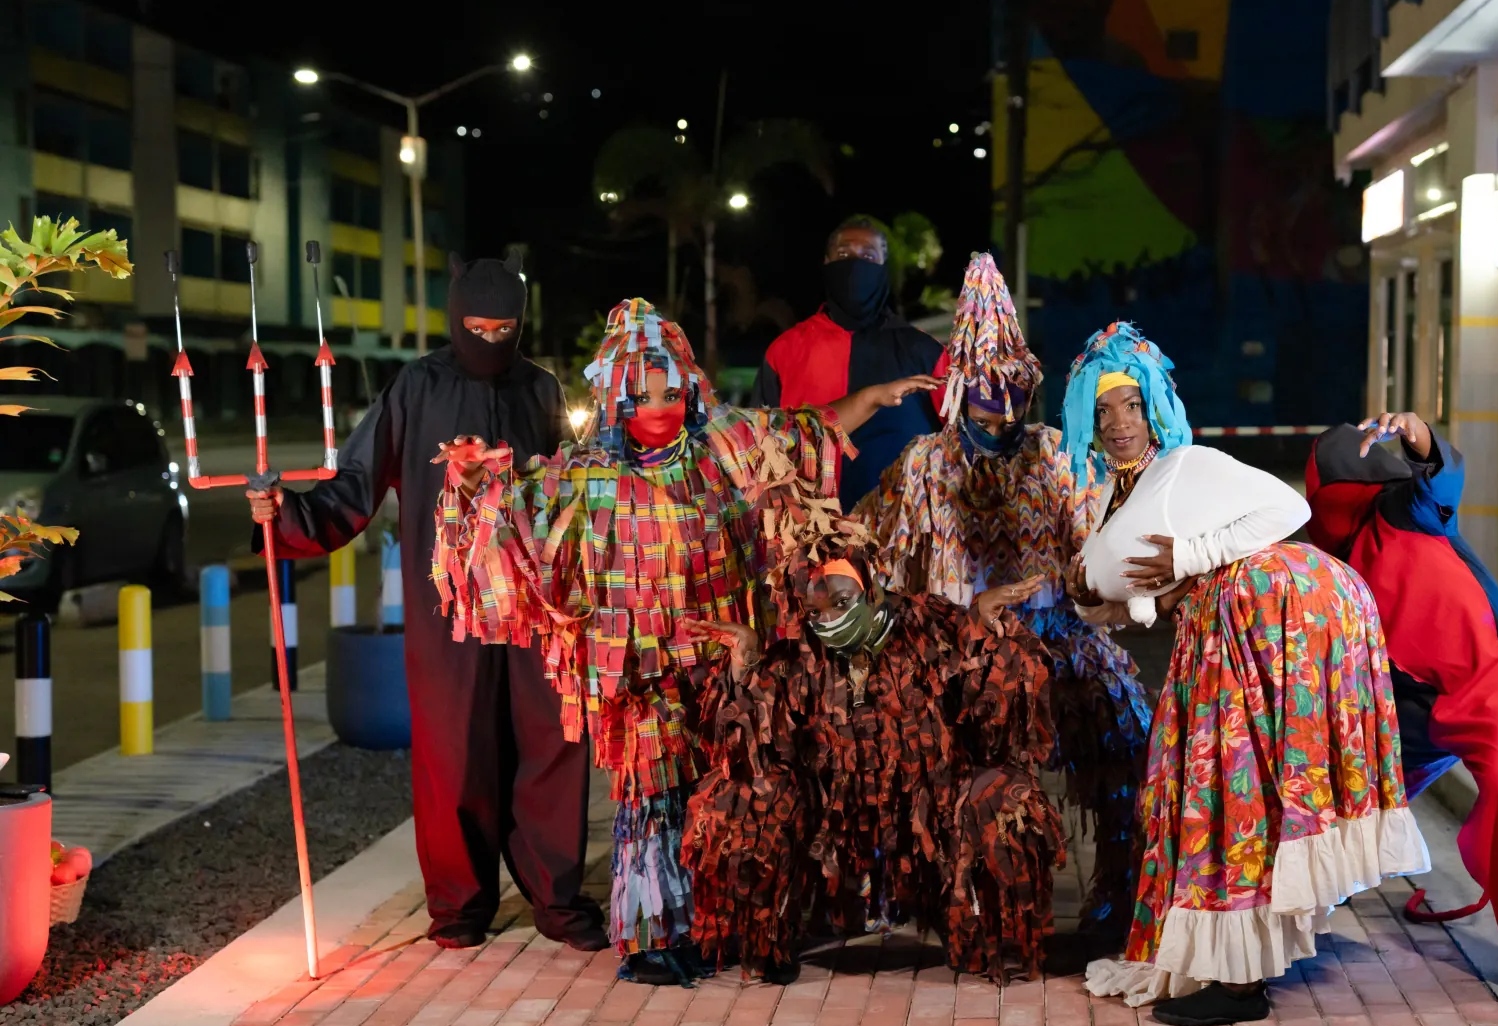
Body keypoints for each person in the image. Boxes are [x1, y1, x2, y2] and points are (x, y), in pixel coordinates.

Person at [431, 297, 932, 986]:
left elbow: (800, 433)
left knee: (721, 795)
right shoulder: (586, 474)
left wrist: (872, 398)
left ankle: (722, 923)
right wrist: (471, 482)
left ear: (692, 388)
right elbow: (514, 513)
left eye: (671, 392)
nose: (660, 408)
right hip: (641, 675)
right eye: (642, 396)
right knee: (650, 803)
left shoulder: (723, 450)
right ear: (614, 400)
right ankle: (651, 934)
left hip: (725, 663)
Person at [1070, 322, 1431, 1026]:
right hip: (1231, 626)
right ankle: (1232, 965)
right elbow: (1140, 593)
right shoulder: (1119, 494)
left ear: (1158, 410)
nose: (1119, 424)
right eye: (1105, 409)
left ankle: (1238, 986)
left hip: (1277, 612)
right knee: (1224, 787)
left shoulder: (1187, 465)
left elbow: (1287, 509)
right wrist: (1149, 594)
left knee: (1237, 786)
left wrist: (1187, 559)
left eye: (1133, 406)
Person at [247, 251, 608, 953]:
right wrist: (287, 513)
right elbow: (354, 484)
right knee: (455, 748)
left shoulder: (539, 389)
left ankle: (558, 897)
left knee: (554, 741)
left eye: (506, 329)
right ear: (455, 320)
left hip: (537, 608)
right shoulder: (415, 388)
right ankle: (459, 903)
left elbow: (572, 491)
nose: (491, 341)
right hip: (450, 608)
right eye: (478, 327)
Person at [855, 252, 1151, 937]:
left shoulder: (1056, 453)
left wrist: (1061, 586)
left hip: (1055, 639)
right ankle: (944, 891)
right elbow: (884, 560)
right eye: (987, 398)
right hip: (954, 649)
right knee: (911, 747)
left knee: (1126, 734)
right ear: (958, 393)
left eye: (1016, 392)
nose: (1004, 412)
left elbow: (1092, 550)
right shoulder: (922, 465)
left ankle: (1119, 890)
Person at [681, 513, 1065, 985]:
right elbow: (758, 749)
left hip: (934, 812)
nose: (830, 620)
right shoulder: (800, 657)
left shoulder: (926, 626)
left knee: (1010, 804)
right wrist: (746, 661)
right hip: (833, 822)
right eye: (816, 612)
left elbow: (993, 719)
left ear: (870, 589)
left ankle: (973, 928)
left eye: (842, 602)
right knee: (737, 800)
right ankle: (772, 937)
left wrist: (983, 624)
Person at [1304, 412, 1498, 995]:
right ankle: (1298, 907)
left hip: (1486, 690)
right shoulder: (1328, 567)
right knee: (1332, 796)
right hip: (1403, 710)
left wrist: (1420, 436)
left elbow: (1439, 481)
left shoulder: (1406, 512)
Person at [751, 218, 942, 509]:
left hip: (902, 528)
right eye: (843, 255)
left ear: (883, 267)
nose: (855, 264)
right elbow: (758, 443)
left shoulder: (925, 350)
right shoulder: (785, 350)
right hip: (812, 530)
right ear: (827, 262)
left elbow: (966, 437)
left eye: (868, 255)